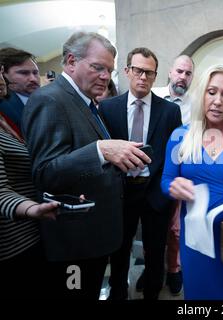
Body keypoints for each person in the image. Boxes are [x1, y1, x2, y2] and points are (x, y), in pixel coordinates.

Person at [22, 32, 150, 299]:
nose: (105, 76)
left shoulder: (86, 102)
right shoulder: (50, 100)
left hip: (93, 237)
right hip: (73, 244)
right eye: (98, 67)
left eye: (109, 70)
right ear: (71, 61)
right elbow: (45, 173)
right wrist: (101, 150)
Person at [161, 65, 223, 299]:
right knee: (198, 295)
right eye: (211, 92)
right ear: (202, 94)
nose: (217, 101)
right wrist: (172, 188)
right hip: (195, 239)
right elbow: (166, 180)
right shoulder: (180, 136)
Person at [99, 47, 182, 300]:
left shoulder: (169, 111)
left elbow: (174, 155)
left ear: (156, 76)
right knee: (120, 249)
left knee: (155, 251)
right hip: (121, 193)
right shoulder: (108, 108)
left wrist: (167, 193)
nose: (143, 77)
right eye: (138, 71)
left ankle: (153, 293)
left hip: (155, 192)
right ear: (127, 71)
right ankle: (118, 291)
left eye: (149, 72)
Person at [136, 54, 194, 296]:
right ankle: (152, 270)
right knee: (150, 231)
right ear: (170, 72)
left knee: (175, 229)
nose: (182, 77)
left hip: (180, 177)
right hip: (147, 176)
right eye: (179, 71)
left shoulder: (195, 104)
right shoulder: (153, 95)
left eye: (188, 73)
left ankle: (174, 270)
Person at [0, 69, 59, 299]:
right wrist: (33, 209)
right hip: (12, 244)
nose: (1, 78)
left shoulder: (4, 117)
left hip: (32, 235)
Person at [0, 47, 40, 130]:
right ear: (4, 75)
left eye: (35, 73)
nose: (33, 79)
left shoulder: (49, 98)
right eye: (24, 73)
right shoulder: (3, 108)